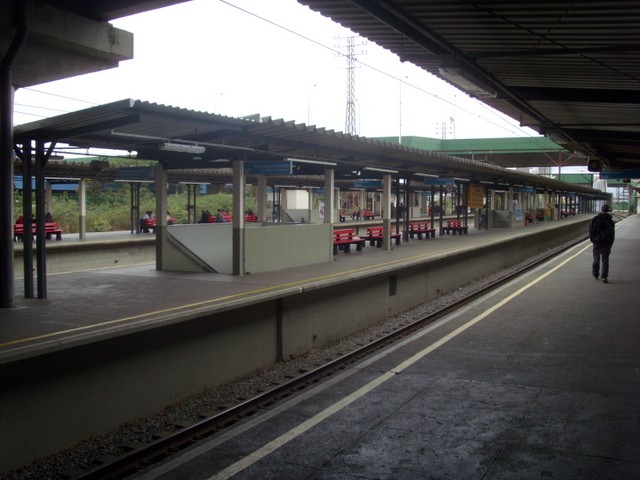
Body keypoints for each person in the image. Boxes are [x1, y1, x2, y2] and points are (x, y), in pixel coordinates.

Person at [588, 204, 615, 283]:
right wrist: (611, 243)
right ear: (608, 211)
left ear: (601, 210)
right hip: (606, 243)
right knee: (605, 260)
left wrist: (592, 240)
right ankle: (604, 276)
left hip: (597, 242)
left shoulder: (595, 219)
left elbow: (590, 230)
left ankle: (595, 273)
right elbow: (612, 233)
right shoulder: (610, 221)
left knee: (596, 259)